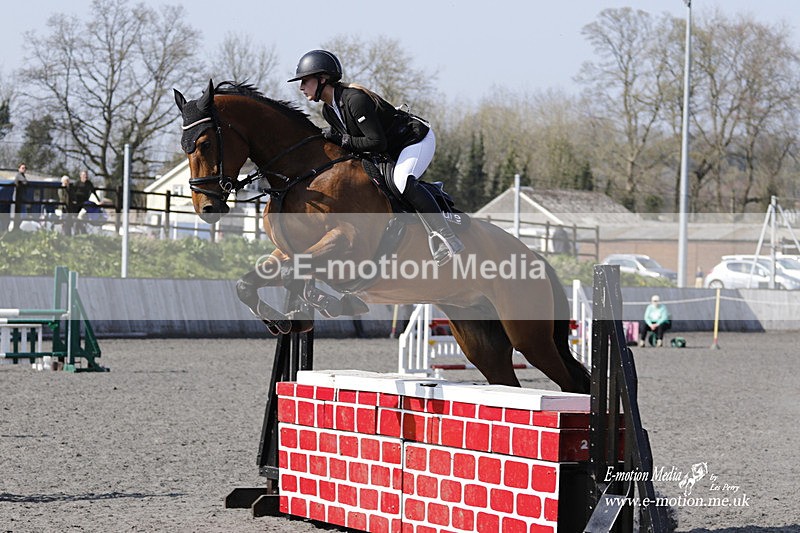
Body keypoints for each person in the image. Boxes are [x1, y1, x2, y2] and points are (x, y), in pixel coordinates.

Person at [287, 49, 464, 266]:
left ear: (322, 79)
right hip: (386, 150)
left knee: (401, 182)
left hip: (413, 141)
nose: (301, 87)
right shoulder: (329, 111)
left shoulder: (355, 100)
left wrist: (341, 139)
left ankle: (446, 237)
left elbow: (376, 142)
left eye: (305, 80)